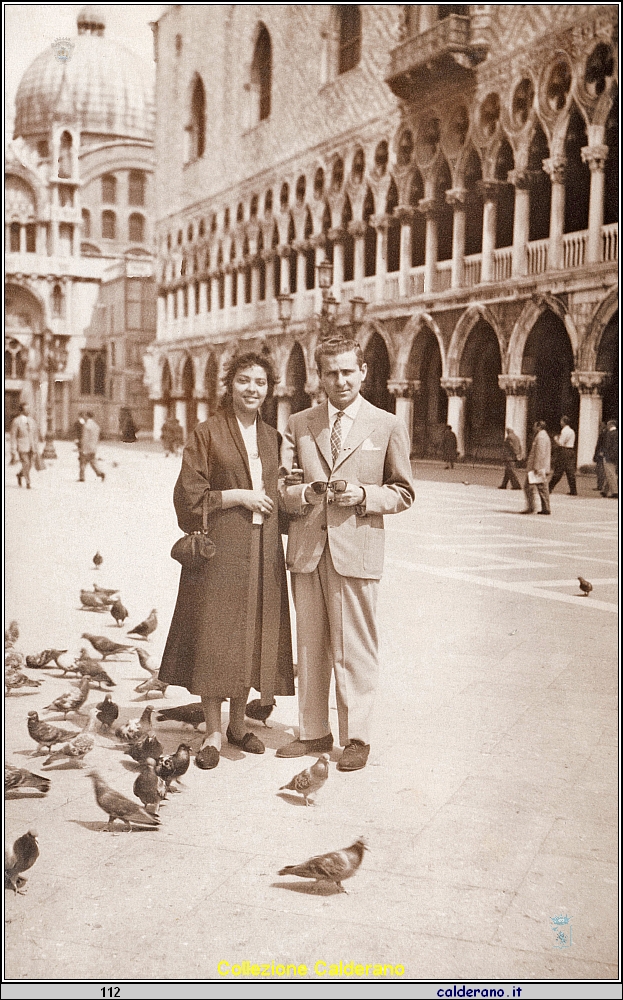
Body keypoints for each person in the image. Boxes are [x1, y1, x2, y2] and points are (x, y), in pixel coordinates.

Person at [278, 337, 415, 771]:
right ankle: (314, 732)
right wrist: (304, 493)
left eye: (347, 371)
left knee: (354, 648)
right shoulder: (300, 423)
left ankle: (357, 737)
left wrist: (362, 495)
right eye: (330, 373)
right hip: (307, 551)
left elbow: (404, 492)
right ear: (319, 377)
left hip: (356, 550)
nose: (339, 381)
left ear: (363, 372)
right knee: (310, 645)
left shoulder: (387, 424)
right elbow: (282, 488)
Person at [159, 352, 295, 770]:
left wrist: (291, 488)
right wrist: (238, 496)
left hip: (263, 550)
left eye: (260, 382)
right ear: (229, 385)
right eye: (243, 381)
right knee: (216, 635)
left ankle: (239, 724)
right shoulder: (207, 433)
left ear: (269, 389)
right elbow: (189, 496)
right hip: (222, 551)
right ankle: (213, 730)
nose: (252, 389)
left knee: (252, 632)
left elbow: (280, 499)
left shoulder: (272, 437)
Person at [522, 420, 551, 514]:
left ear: (539, 427)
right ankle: (545, 508)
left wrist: (536, 467)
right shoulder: (543, 435)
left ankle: (532, 507)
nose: (533, 428)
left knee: (529, 487)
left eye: (535, 426)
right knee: (542, 488)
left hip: (538, 467)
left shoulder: (541, 436)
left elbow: (540, 452)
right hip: (540, 467)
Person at [10, 402, 39, 489]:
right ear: (22, 411)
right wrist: (13, 449)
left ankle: (20, 475)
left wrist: (36, 446)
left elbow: (35, 435)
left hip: (31, 446)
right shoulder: (16, 421)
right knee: (26, 463)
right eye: (27, 409)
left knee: (30, 465)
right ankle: (28, 482)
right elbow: (13, 436)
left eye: (29, 409)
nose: (29, 411)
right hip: (22, 446)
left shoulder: (32, 421)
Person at [548, 416, 577, 495]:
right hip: (571, 450)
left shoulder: (564, 431)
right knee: (570, 472)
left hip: (564, 451)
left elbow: (561, 443)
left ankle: (550, 487)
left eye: (561, 421)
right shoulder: (572, 431)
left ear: (564, 422)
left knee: (558, 471)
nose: (560, 423)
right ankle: (573, 489)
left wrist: (556, 439)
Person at [78, 412, 105, 482]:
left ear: (87, 416)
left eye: (85, 416)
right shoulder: (96, 426)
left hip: (87, 447)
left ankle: (82, 477)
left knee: (82, 461)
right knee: (92, 461)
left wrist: (82, 447)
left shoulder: (86, 426)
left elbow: (85, 438)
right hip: (93, 447)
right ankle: (100, 473)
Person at [601, 419, 618, 498]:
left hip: (609, 456)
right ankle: (604, 490)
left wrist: (605, 454)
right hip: (615, 456)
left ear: (610, 425)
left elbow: (608, 446)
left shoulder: (610, 434)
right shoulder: (617, 433)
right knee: (609, 473)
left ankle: (615, 492)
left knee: (611, 474)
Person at [593, 421, 607, 492]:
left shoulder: (604, 434)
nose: (599, 427)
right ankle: (600, 485)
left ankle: (600, 485)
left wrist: (601, 452)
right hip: (600, 453)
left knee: (600, 470)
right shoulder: (603, 433)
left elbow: (602, 444)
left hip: (600, 454)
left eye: (600, 425)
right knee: (599, 470)